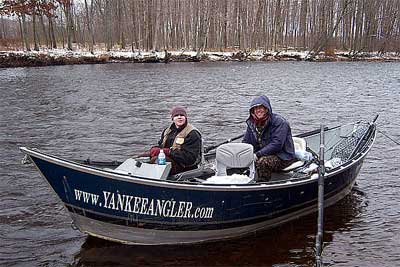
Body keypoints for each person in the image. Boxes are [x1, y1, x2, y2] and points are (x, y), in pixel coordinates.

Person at [243, 95, 296, 182]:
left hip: (283, 157)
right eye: (255, 108)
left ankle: (262, 184)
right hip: (262, 154)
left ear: (266, 109)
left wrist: (257, 154)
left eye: (261, 107)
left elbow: (277, 144)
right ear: (252, 111)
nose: (258, 110)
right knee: (242, 159)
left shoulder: (280, 122)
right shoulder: (252, 124)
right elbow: (246, 142)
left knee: (263, 162)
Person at [149, 106, 202, 175]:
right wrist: (154, 149)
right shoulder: (167, 131)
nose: (179, 117)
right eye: (176, 115)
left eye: (182, 115)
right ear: (172, 118)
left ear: (185, 117)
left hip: (184, 166)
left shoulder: (192, 134)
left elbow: (190, 158)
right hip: (170, 160)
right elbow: (161, 146)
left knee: (155, 159)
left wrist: (168, 152)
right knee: (143, 157)